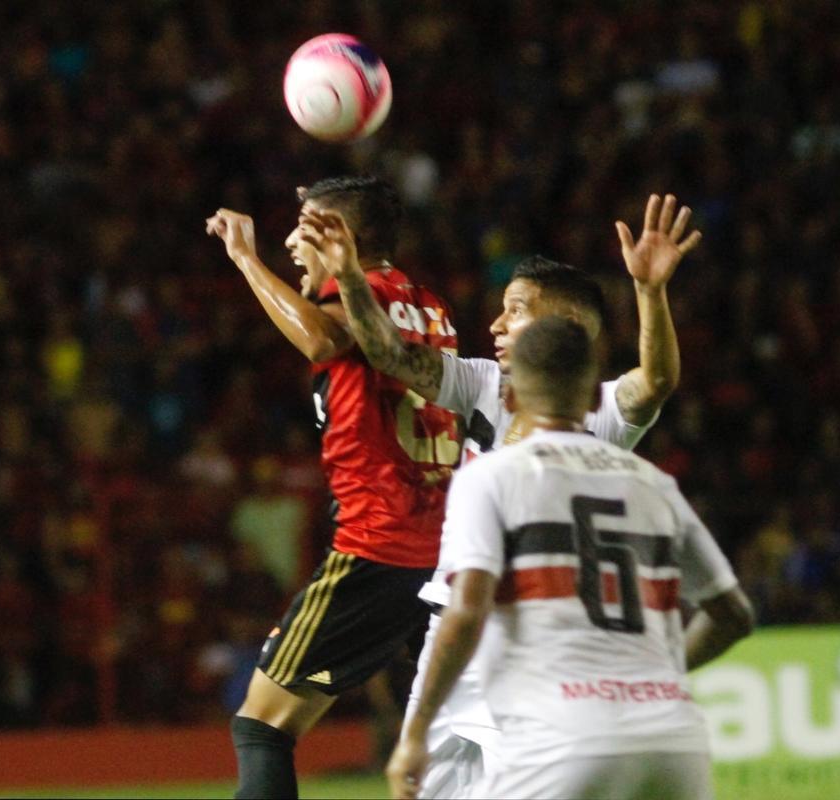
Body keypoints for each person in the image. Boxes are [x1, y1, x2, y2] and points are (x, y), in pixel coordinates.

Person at [299, 193, 702, 796]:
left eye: (514, 311)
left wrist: (649, 292)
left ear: (563, 326)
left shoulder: (601, 410)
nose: (494, 325)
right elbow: (387, 353)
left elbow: (658, 380)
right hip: (451, 634)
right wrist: (352, 278)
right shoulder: (483, 382)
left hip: (532, 645)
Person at [385, 316, 755, 799]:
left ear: (510, 401)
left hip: (564, 739)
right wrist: (659, 678)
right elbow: (733, 616)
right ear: (596, 399)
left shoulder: (491, 477)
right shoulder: (655, 484)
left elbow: (467, 611)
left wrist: (416, 732)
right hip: (674, 744)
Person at [205, 176, 463, 799]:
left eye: (304, 229)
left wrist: (245, 259)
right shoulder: (427, 303)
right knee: (455, 731)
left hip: (380, 544)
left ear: (340, 236)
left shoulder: (360, 292)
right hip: (444, 545)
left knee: (262, 725)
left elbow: (323, 338)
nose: (291, 242)